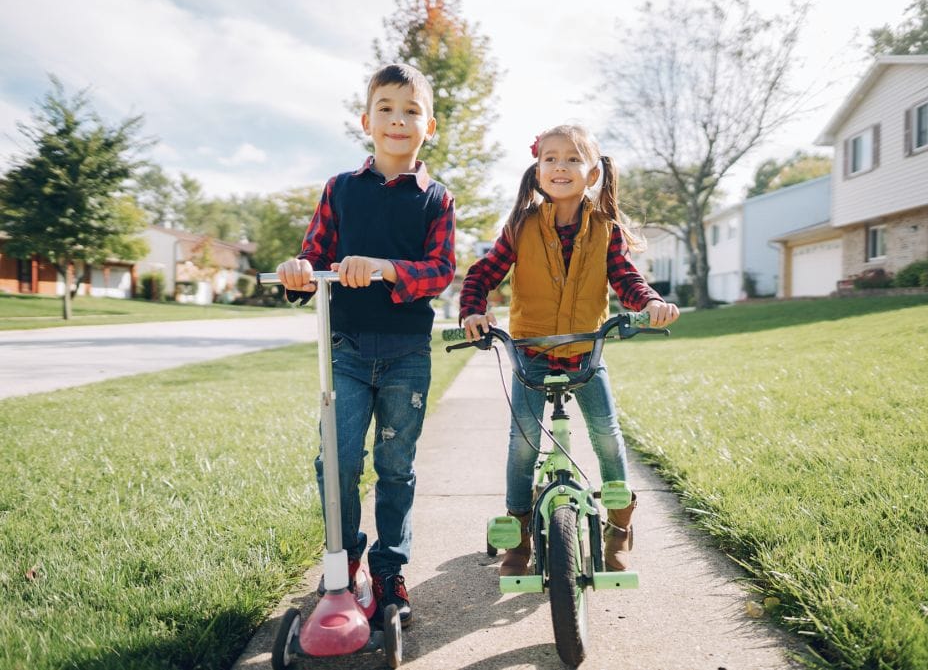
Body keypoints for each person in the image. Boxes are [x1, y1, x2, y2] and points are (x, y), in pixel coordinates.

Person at [276, 63, 455, 627]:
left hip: (406, 352)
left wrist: (383, 269)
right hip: (347, 350)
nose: (398, 120)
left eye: (411, 111)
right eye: (386, 109)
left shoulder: (435, 200)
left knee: (396, 465)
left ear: (430, 126)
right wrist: (299, 271)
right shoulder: (340, 189)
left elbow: (441, 269)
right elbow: (315, 255)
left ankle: (388, 569)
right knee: (338, 459)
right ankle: (345, 554)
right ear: (366, 120)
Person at [460, 124, 679, 577]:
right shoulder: (519, 227)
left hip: (586, 352)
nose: (561, 167)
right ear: (538, 169)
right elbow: (481, 276)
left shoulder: (606, 230)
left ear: (593, 172)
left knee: (607, 437)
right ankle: (519, 538)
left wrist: (651, 304)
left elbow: (627, 281)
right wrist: (473, 313)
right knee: (523, 444)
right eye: (551, 158)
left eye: (573, 159)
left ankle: (619, 531)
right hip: (530, 354)